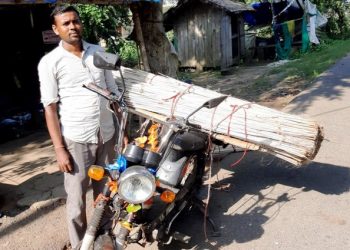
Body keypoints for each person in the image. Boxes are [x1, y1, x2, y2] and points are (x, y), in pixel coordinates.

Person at [38, 5, 120, 249]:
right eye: (66, 23)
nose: (72, 26)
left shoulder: (98, 52)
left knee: (105, 192)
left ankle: (104, 237)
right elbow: (50, 109)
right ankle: (79, 244)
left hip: (106, 134)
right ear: (56, 29)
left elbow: (113, 93)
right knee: (77, 200)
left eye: (75, 21)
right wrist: (59, 150)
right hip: (77, 139)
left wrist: (122, 131)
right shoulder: (49, 62)